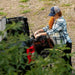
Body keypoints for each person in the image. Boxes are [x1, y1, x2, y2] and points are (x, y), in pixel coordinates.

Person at [34, 6, 72, 73]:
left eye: (54, 14)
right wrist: (39, 31)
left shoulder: (61, 21)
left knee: (66, 61)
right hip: (58, 44)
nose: (53, 16)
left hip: (65, 44)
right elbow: (48, 27)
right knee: (61, 60)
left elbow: (52, 31)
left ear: (57, 13)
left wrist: (40, 34)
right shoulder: (54, 19)